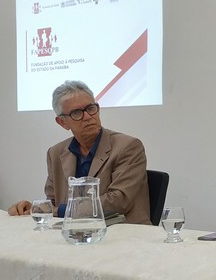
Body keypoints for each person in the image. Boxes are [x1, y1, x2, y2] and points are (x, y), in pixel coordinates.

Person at [8, 80, 151, 225]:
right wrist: (33, 208)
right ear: (62, 122)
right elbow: (52, 202)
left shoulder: (128, 146)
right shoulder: (55, 153)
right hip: (73, 230)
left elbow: (118, 201)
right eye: (76, 113)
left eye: (90, 108)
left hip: (122, 230)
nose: (88, 117)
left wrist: (58, 210)